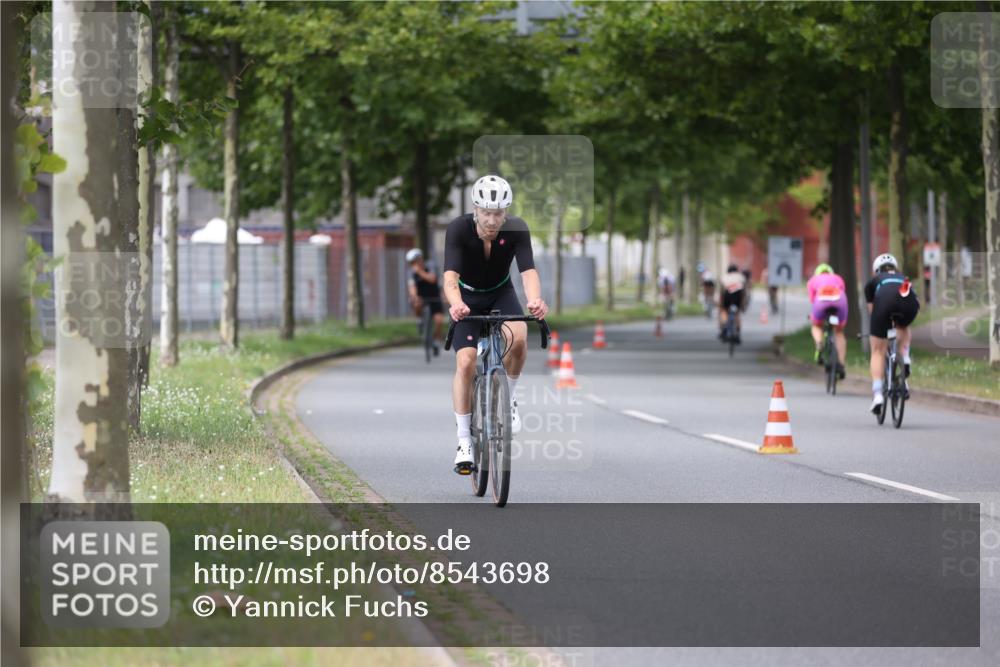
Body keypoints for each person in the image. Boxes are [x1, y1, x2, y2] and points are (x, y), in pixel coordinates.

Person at [443, 175, 548, 474]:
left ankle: (509, 398)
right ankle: (464, 441)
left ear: (506, 212)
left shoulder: (517, 229)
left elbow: (527, 271)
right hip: (466, 298)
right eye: (486, 212)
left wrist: (536, 300)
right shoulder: (458, 229)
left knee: (518, 338)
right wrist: (456, 303)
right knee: (466, 362)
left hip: (501, 292)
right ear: (475, 209)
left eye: (498, 213)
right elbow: (450, 277)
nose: (492, 219)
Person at [864, 253, 920, 414]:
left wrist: (878, 330)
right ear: (894, 268)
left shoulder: (873, 282)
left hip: (884, 304)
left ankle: (877, 394)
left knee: (877, 351)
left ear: (877, 270)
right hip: (909, 304)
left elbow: (872, 311)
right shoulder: (904, 277)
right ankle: (905, 356)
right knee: (903, 327)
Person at [806, 263, 847, 379]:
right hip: (839, 300)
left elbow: (813, 300)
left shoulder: (813, 280)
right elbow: (843, 292)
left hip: (821, 300)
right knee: (839, 332)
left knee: (816, 326)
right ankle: (841, 364)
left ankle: (819, 344)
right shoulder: (838, 278)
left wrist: (815, 318)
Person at [406, 248, 444, 355]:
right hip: (421, 297)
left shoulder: (431, 266)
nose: (415, 264)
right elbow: (412, 286)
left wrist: (420, 271)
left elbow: (432, 279)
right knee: (416, 302)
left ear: (421, 259)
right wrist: (414, 296)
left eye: (417, 260)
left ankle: (436, 341)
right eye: (412, 262)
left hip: (434, 296)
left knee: (439, 320)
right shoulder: (411, 272)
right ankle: (419, 319)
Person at [718, 264, 747, 343]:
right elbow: (744, 292)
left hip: (727, 294)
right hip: (737, 294)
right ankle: (737, 333)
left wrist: (721, 305)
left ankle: (724, 326)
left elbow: (721, 292)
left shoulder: (724, 277)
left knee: (724, 311)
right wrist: (743, 305)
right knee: (737, 313)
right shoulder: (741, 277)